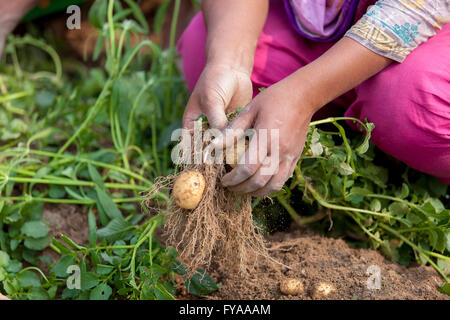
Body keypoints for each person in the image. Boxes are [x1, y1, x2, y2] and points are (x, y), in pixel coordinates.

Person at [177, 0, 450, 196]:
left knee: (414, 103)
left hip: (429, 24)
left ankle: (399, 157)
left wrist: (303, 96)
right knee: (205, 49)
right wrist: (230, 62)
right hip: (324, 18)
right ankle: (315, 135)